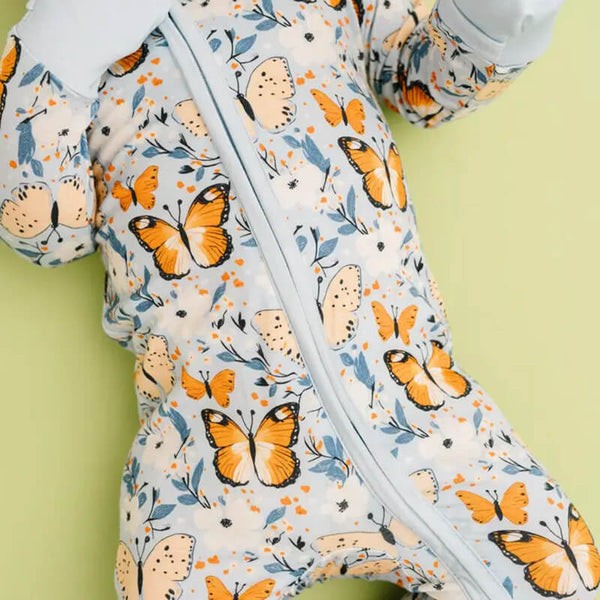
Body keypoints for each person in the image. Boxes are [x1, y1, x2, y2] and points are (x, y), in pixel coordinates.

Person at [1, 0, 598, 598]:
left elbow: (424, 84)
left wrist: (497, 16)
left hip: (419, 414)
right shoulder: (66, 46)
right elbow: (46, 228)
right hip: (214, 454)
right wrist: (64, 42)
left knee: (561, 579)